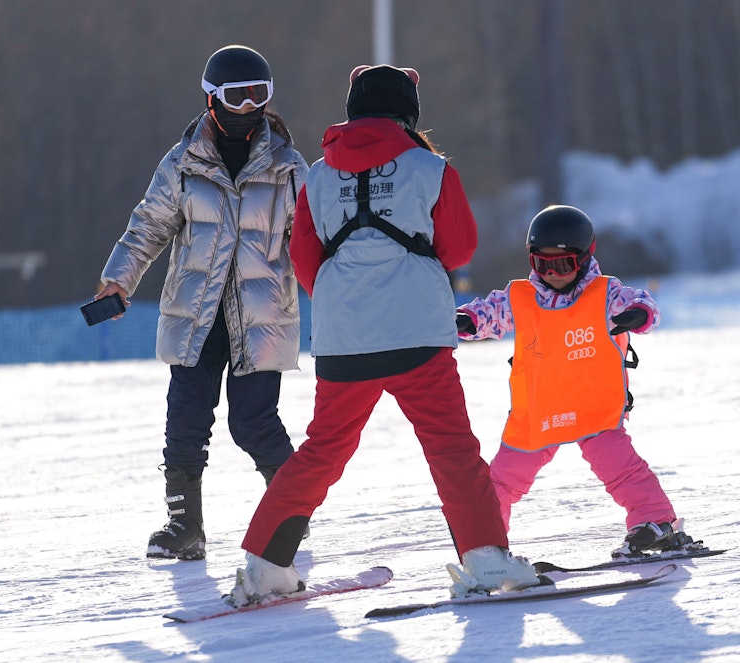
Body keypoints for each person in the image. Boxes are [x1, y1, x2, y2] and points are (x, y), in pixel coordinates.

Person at [224, 64, 541, 607]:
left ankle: (264, 566)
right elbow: (460, 248)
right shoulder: (432, 168)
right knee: (451, 449)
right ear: (407, 111)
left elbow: (304, 262)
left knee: (323, 451)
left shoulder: (319, 176)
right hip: (418, 332)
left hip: (344, 338)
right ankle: (485, 559)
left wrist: (348, 300)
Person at [95, 45, 308, 561]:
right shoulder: (183, 163)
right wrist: (118, 280)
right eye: (236, 97)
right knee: (186, 420)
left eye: (260, 95)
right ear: (211, 99)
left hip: (261, 316)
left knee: (254, 423)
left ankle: (291, 516)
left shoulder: (288, 168)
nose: (249, 108)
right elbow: (149, 226)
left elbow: (314, 241)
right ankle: (184, 526)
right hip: (197, 315)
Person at [456, 205, 702, 558]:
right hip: (539, 410)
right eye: (543, 264)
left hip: (594, 409)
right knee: (502, 480)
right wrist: (465, 321)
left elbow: (643, 301)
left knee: (620, 468)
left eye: (563, 264)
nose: (552, 273)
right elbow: (487, 313)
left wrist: (638, 314)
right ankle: (485, 543)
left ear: (585, 258)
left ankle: (655, 522)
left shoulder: (604, 295)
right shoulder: (519, 298)